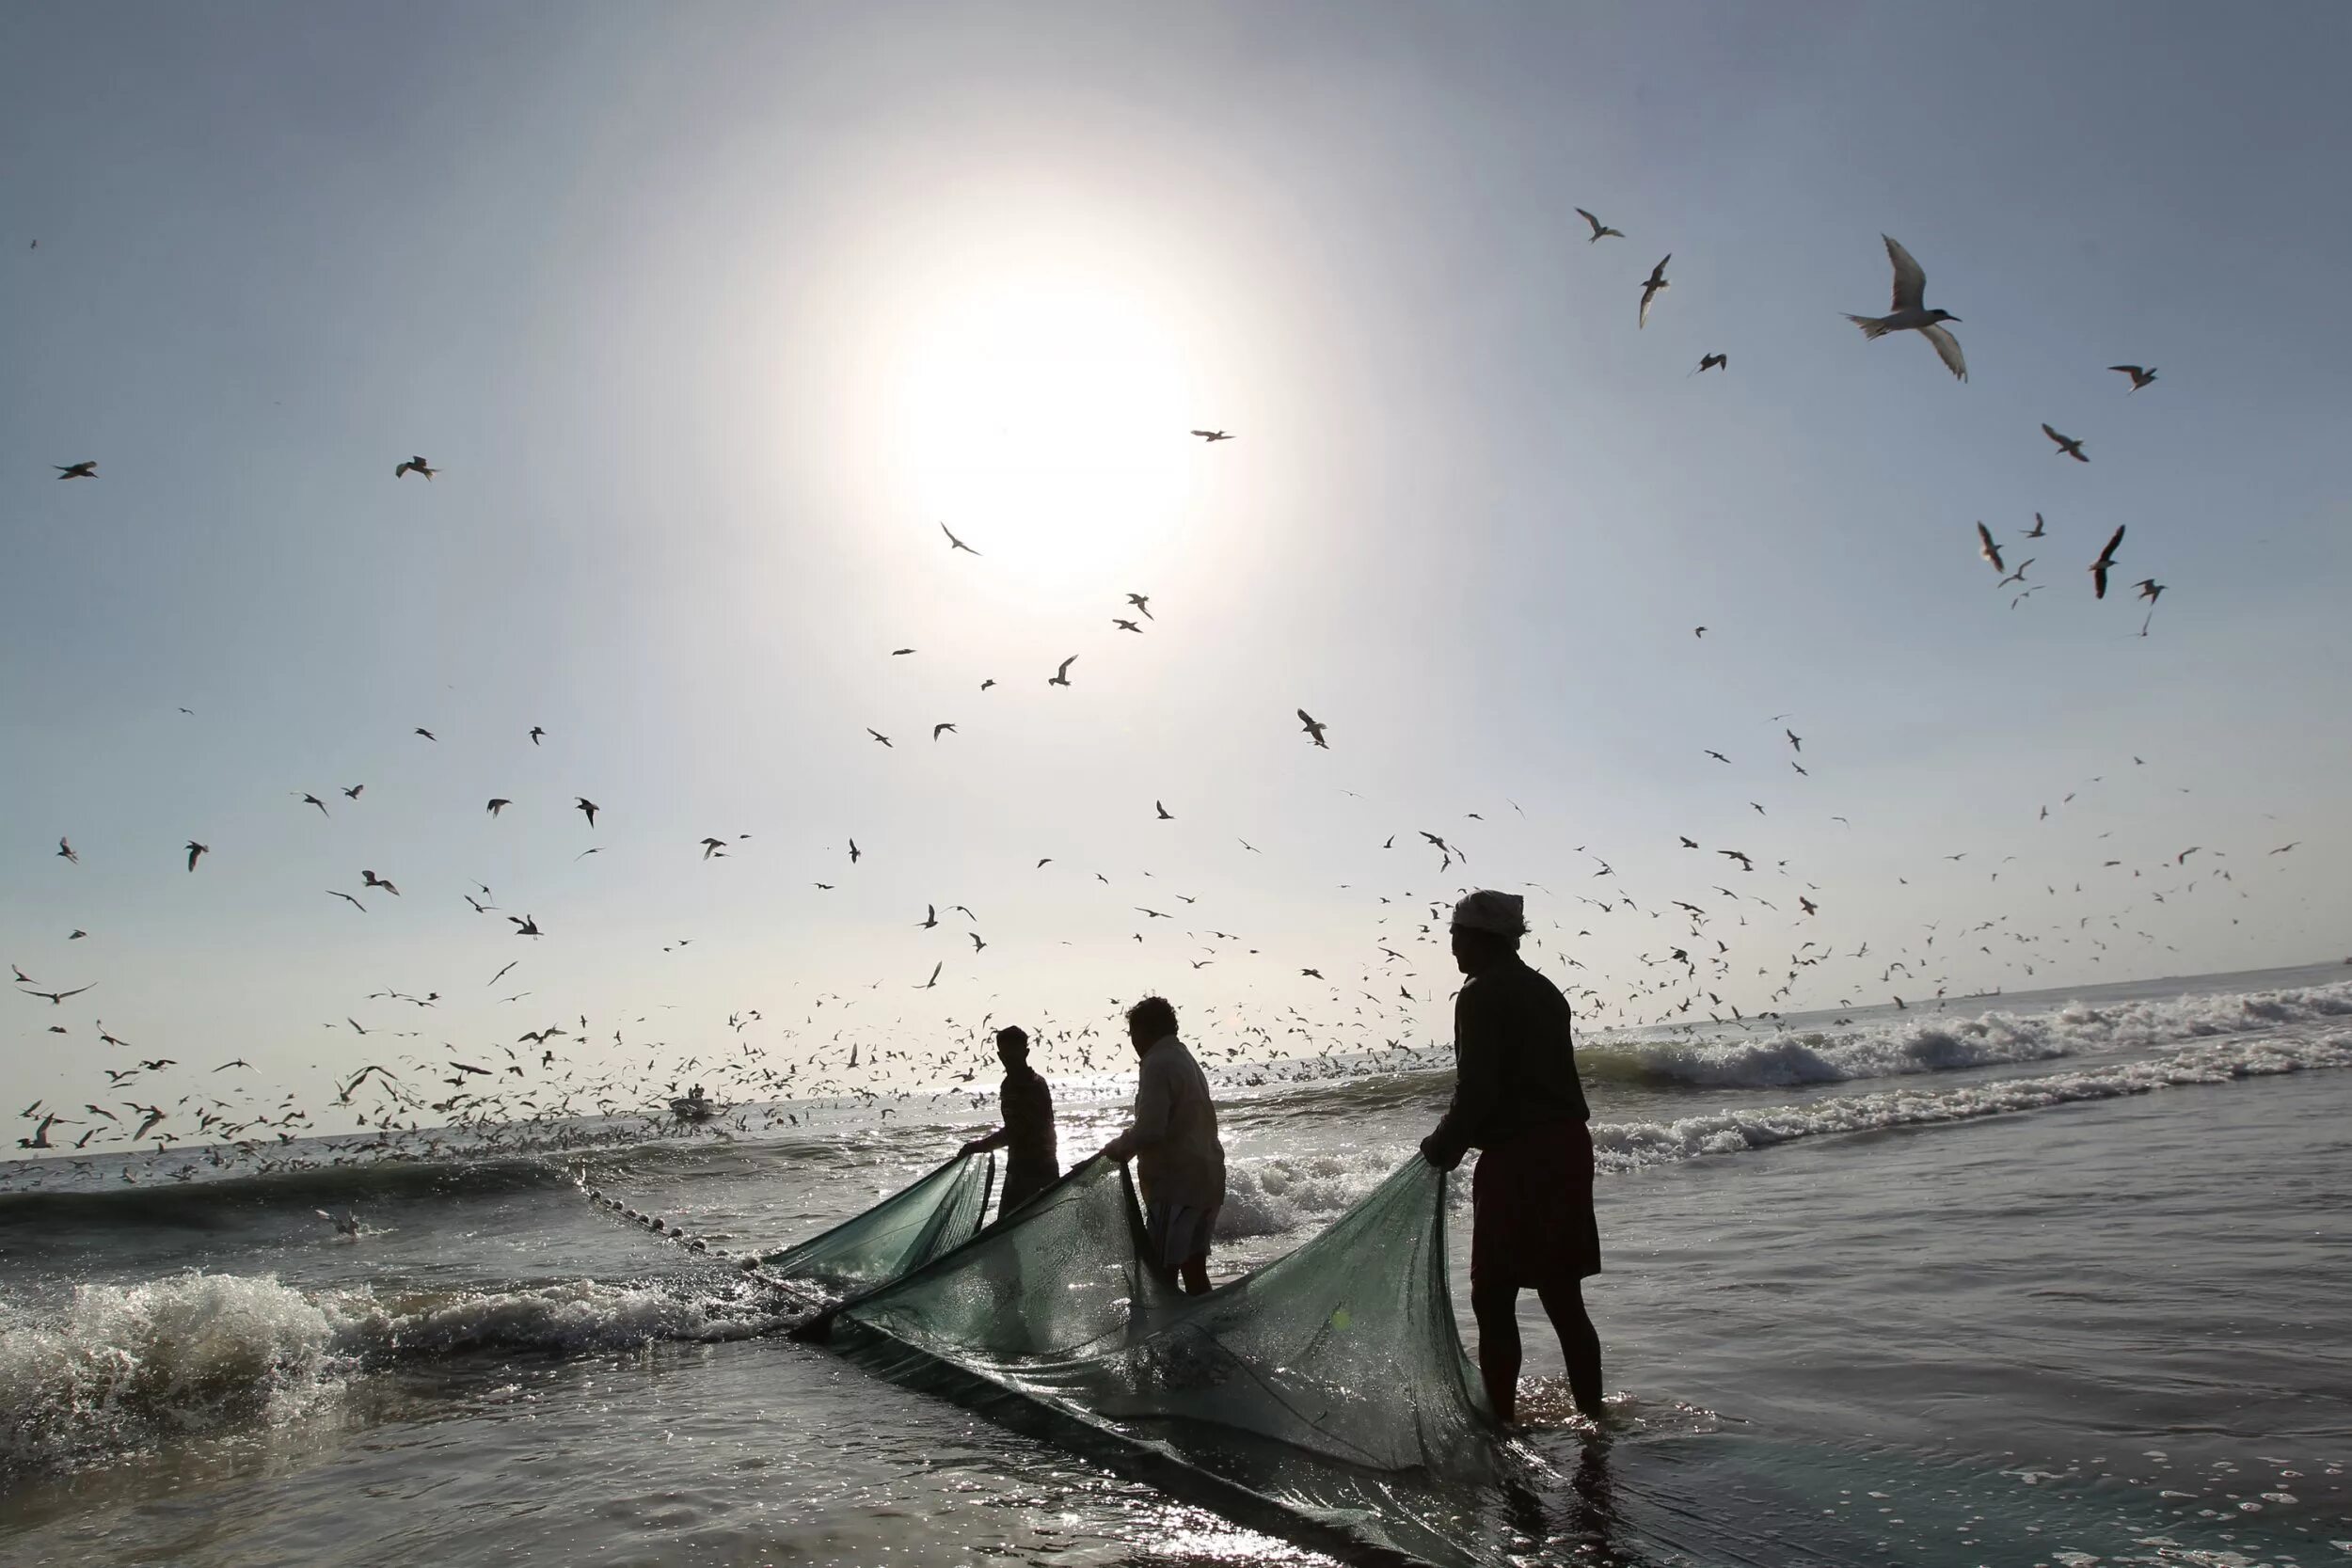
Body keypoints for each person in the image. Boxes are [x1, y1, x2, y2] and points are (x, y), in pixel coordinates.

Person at [1419, 889, 1604, 1424]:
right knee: (1562, 1295)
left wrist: (1441, 1147)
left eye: (1456, 935)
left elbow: (1477, 1091)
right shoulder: (1544, 990)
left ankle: (1500, 1424)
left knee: (1493, 1295)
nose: (1452, 946)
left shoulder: (1479, 993)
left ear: (1481, 938)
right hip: (1568, 1149)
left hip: (1520, 1158)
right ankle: (1594, 1419)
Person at [1102, 996, 1226, 1294]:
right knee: (1195, 1272)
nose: (1133, 1042)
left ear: (1145, 1031)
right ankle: (1208, 1336)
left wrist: (1120, 1146)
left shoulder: (1157, 1063)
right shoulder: (1183, 1057)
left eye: (1133, 1034)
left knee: (1160, 1277)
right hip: (1207, 1181)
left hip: (1177, 1187)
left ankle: (1166, 1341)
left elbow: (1152, 1128)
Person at [958, 1025, 1059, 1216]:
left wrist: (979, 1146)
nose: (1009, 1059)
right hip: (1018, 1170)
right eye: (1005, 1054)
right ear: (999, 1055)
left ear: (1026, 1052)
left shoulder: (1034, 1085)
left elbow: (1016, 1130)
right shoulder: (1008, 1085)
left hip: (1039, 1172)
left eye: (1014, 1053)